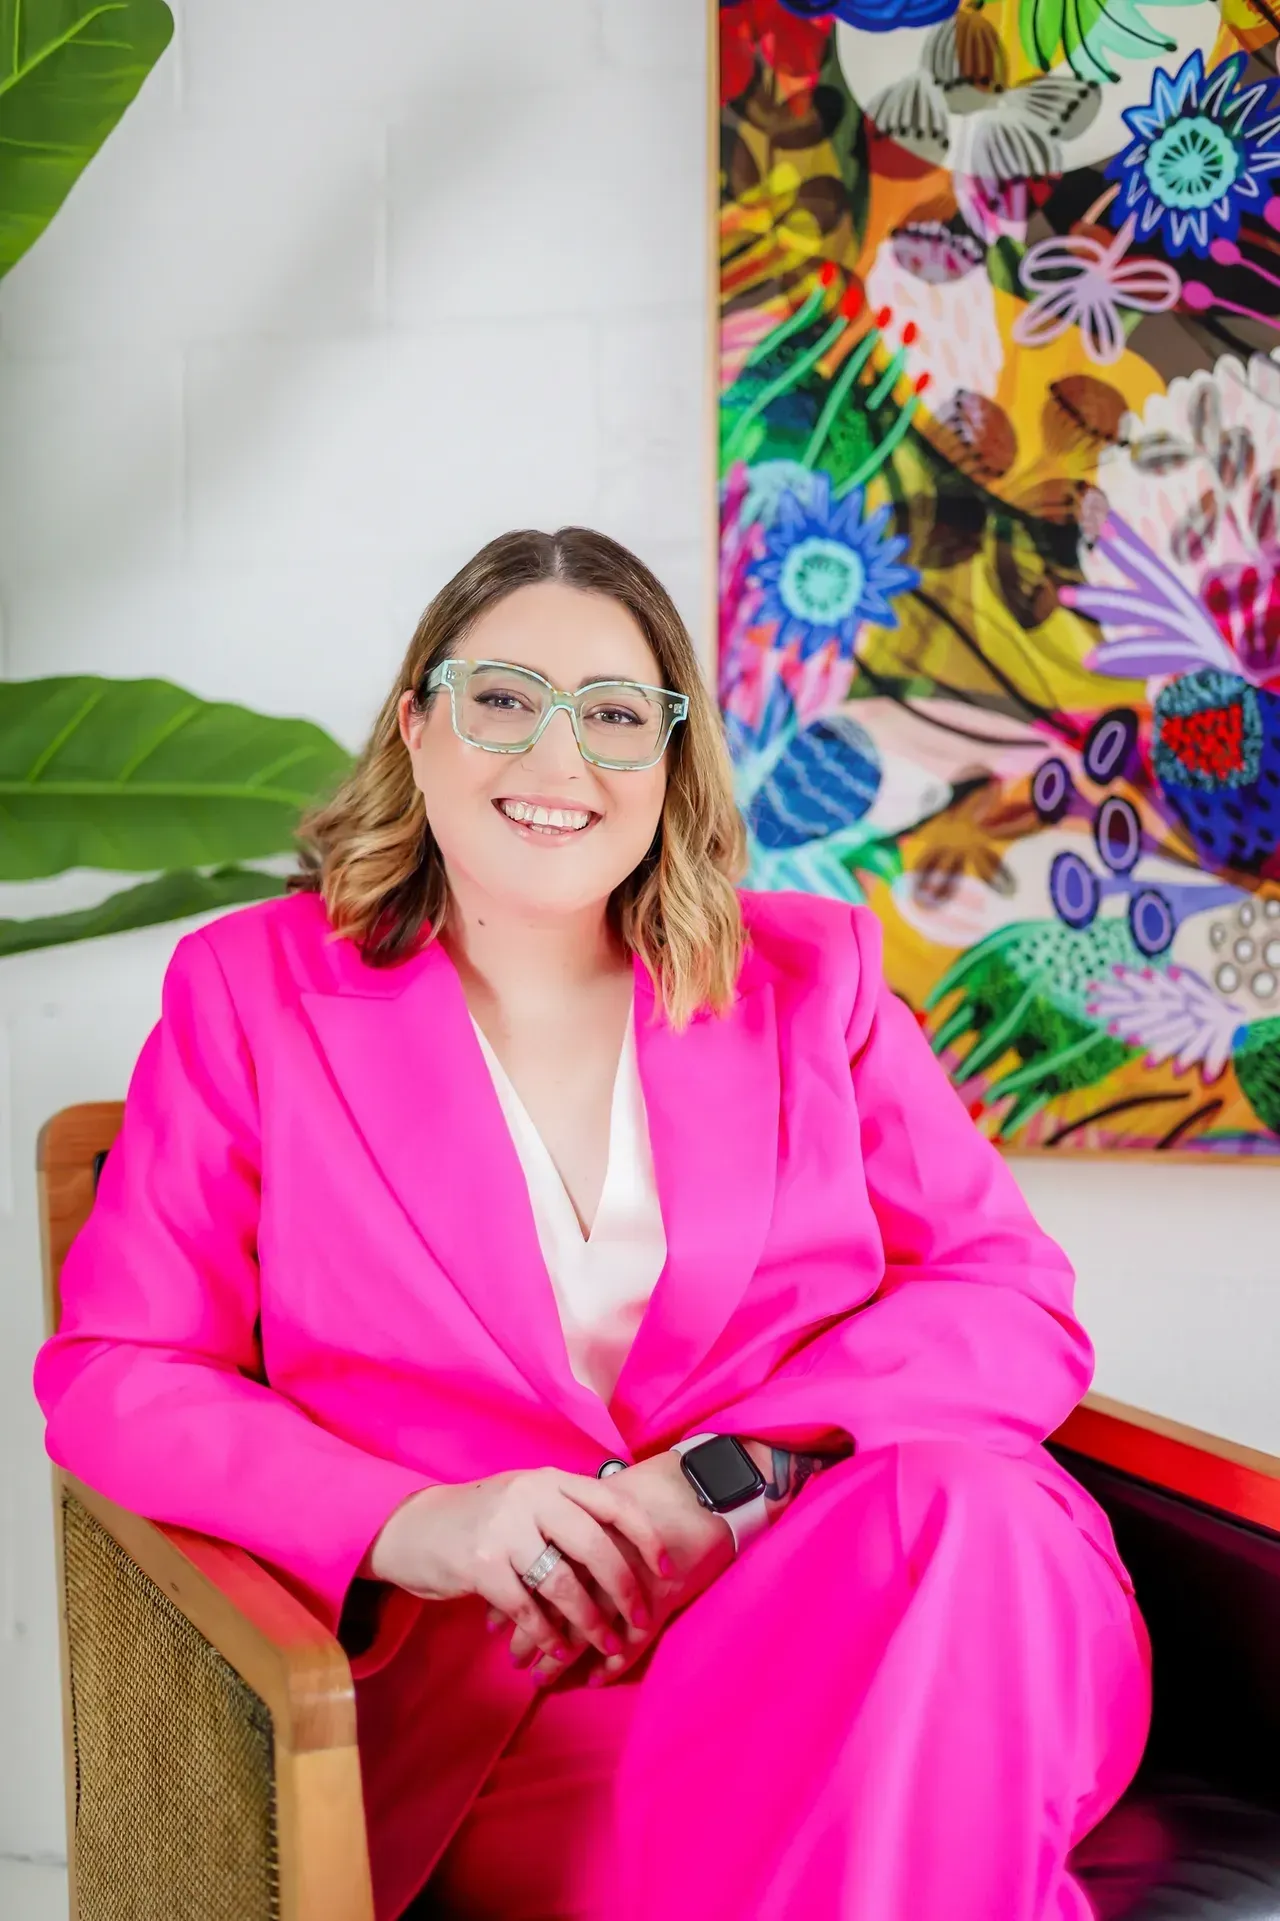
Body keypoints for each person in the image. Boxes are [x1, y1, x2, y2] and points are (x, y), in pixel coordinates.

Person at [34, 526, 1151, 1921]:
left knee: (970, 1508)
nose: (559, 761)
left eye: (616, 717)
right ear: (418, 726)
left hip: (881, 1626)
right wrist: (413, 1519)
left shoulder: (817, 980)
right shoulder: (250, 995)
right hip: (529, 1705)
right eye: (504, 699)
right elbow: (119, 1373)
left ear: (669, 761)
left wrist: (722, 1482)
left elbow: (1006, 1301)